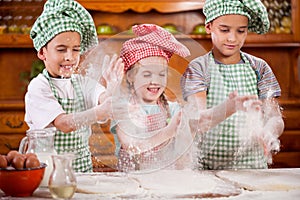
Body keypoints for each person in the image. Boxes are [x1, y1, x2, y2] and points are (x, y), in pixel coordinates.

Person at [181, 0, 284, 170]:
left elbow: (275, 117)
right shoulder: (198, 68)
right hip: (209, 170)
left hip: (253, 168)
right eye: (224, 30)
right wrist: (230, 107)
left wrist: (269, 132)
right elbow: (197, 121)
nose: (232, 38)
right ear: (209, 27)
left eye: (241, 31)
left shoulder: (259, 67)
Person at [24, 0, 124, 172]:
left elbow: (105, 101)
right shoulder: (39, 87)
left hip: (83, 172)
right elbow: (64, 124)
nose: (70, 57)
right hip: (48, 173)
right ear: (42, 52)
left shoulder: (82, 82)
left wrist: (112, 89)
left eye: (76, 49)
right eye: (61, 49)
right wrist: (100, 112)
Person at [110, 24, 192, 171]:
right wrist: (168, 132)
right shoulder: (122, 109)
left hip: (164, 182)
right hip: (132, 182)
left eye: (161, 74)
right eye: (147, 74)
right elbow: (132, 147)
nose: (155, 81)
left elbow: (185, 149)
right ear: (130, 76)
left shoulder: (173, 109)